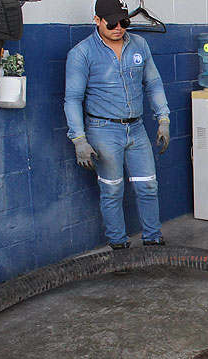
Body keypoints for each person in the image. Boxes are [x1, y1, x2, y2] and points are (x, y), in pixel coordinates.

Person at [64, 0, 170, 250]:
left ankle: (153, 239)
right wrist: (79, 139)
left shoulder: (139, 45)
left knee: (148, 186)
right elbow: (72, 99)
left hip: (137, 128)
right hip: (103, 130)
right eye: (112, 22)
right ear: (97, 20)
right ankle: (119, 245)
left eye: (124, 22)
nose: (119, 28)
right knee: (112, 191)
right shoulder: (82, 53)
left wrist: (163, 119)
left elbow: (153, 84)